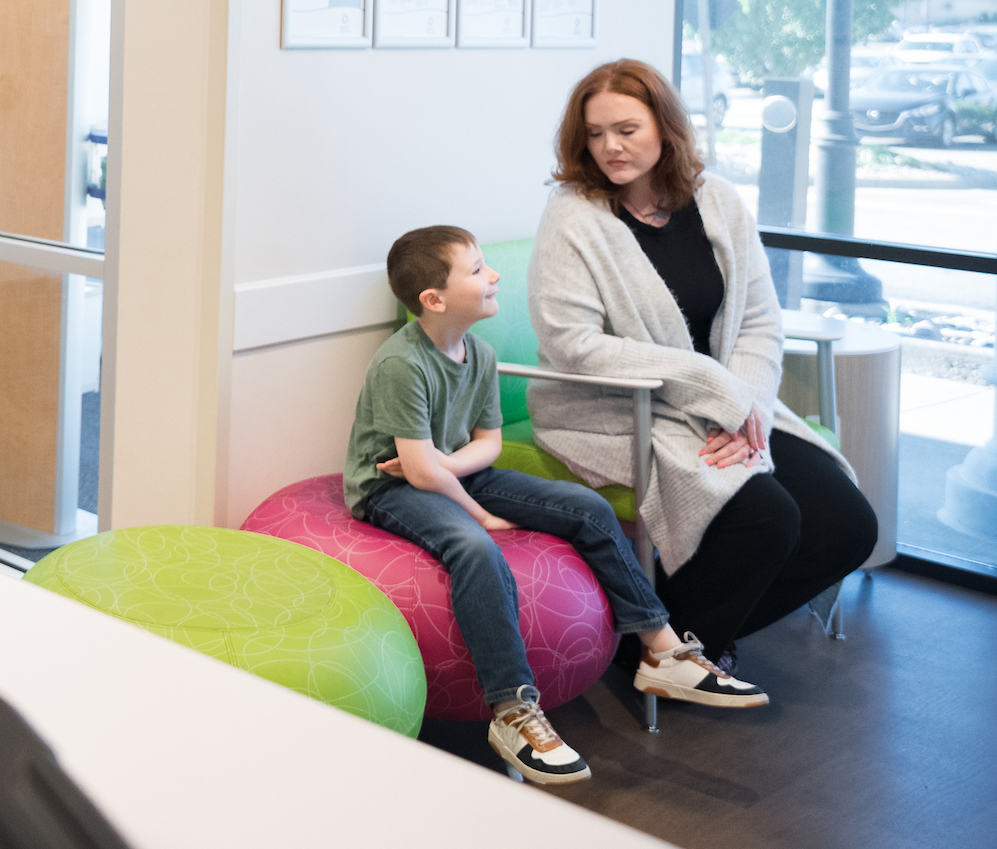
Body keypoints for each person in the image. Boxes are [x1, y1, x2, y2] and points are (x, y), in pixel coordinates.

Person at [348, 227, 745, 787]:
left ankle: (661, 649)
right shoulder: (401, 365)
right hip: (388, 488)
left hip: (453, 470)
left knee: (587, 507)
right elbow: (413, 474)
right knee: (473, 548)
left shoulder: (479, 353)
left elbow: (483, 443)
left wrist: (445, 464)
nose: (495, 275)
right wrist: (475, 511)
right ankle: (512, 711)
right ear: (434, 300)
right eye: (478, 269)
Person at [527, 59, 876, 691]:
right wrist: (716, 391)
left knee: (847, 526)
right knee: (767, 517)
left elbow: (758, 324)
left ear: (666, 126)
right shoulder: (573, 216)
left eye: (627, 129)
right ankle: (668, 651)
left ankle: (679, 643)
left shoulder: (718, 201)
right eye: (596, 133)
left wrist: (745, 408)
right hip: (614, 409)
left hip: (723, 404)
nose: (610, 147)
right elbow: (574, 345)